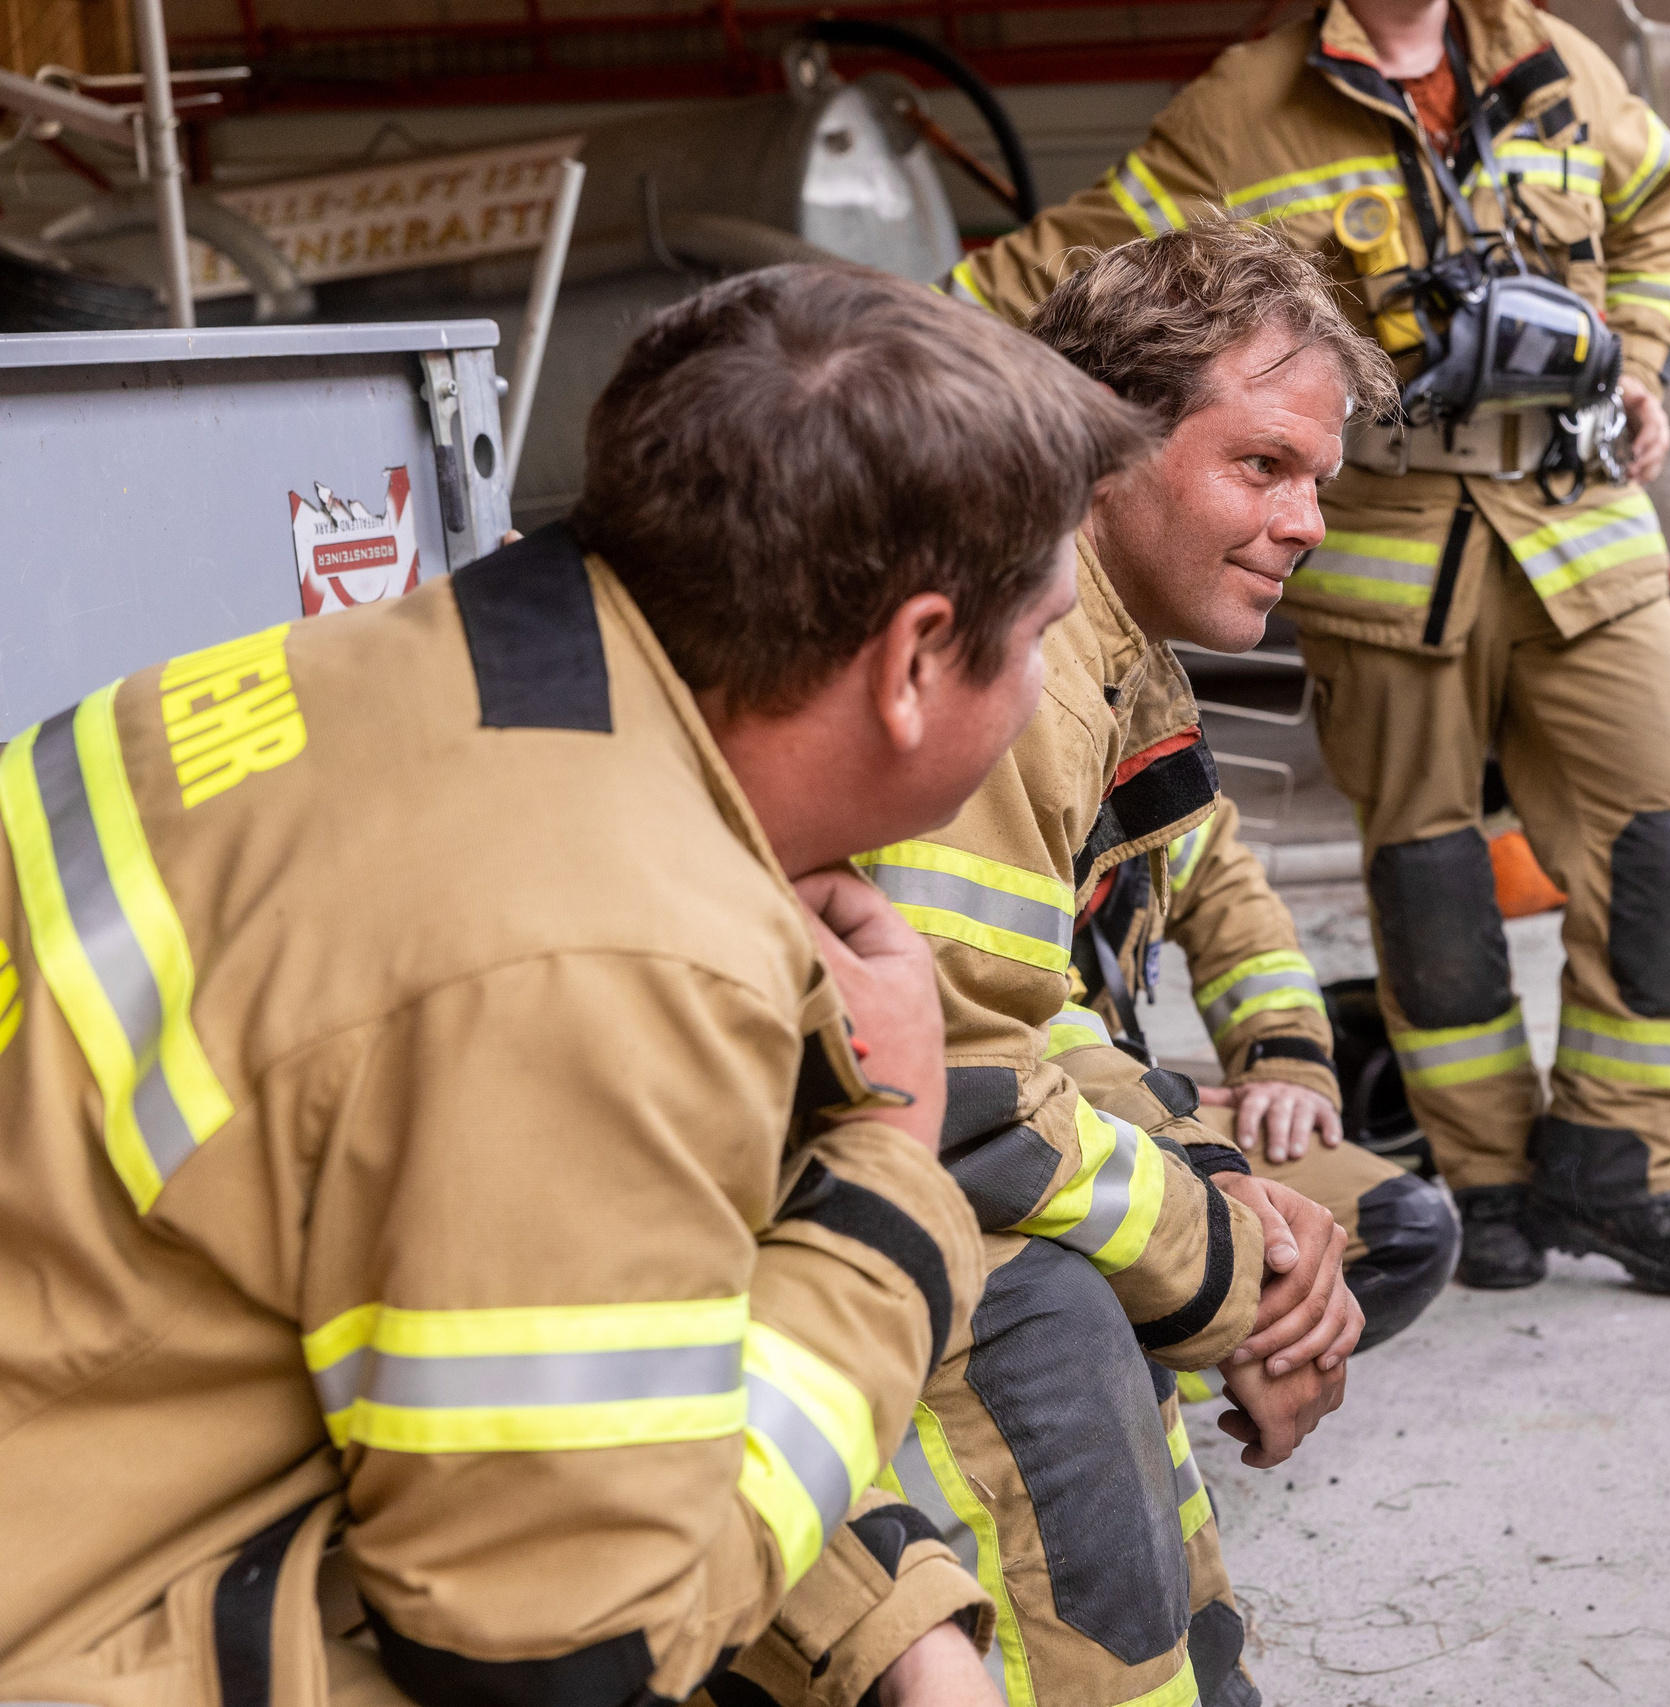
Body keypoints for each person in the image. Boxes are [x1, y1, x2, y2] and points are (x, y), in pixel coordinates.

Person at [0, 264, 1150, 1707]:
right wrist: (892, 1177)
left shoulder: (394, 674)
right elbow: (566, 1645)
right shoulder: (602, 954)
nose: (1049, 683)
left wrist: (891, 1611)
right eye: (1042, 635)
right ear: (917, 656)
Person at [946, 0, 1670, 1300]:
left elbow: (1661, 206)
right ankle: (1483, 1179)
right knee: (1428, 872)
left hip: (1578, 526)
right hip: (1386, 553)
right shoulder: (1240, 106)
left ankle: (1623, 1162)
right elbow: (1054, 275)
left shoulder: (1559, 64)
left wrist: (1638, 359)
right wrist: (852, 366)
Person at [788, 223, 1387, 1707]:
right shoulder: (1028, 679)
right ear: (1103, 444)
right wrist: (1237, 1266)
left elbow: (1038, 1009)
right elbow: (969, 1106)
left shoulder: (1126, 663)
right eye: (1262, 465)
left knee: (1375, 1229)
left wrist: (1224, 1171)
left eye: (1319, 476)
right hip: (883, 1226)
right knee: (1078, 1348)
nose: (1308, 518)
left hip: (972, 1166)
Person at [1079, 791, 1462, 1350]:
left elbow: (1236, 908)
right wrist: (1162, 1117)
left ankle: (1193, 1383)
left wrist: (1283, 1058)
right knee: (1077, 1284)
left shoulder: (1148, 748)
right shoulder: (990, 779)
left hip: (1129, 1100)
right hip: (1022, 1118)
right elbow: (1002, 1045)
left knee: (1408, 1232)